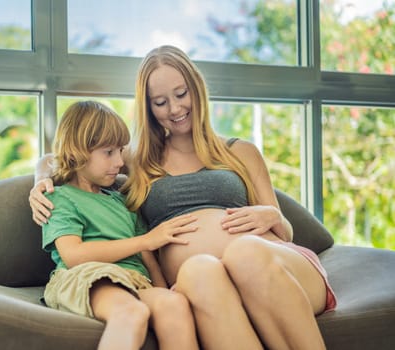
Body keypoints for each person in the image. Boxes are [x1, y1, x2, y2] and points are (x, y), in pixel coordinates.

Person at [30, 46, 337, 350]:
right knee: (197, 270)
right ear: (149, 108)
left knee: (244, 252)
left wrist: (273, 215)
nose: (175, 109)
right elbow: (69, 156)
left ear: (197, 89)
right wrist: (41, 180)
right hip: (206, 284)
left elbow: (285, 232)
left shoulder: (241, 151)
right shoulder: (137, 158)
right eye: (161, 102)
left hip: (278, 270)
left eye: (181, 94)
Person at [41, 100, 199, 350]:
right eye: (109, 152)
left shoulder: (121, 199)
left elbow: (146, 255)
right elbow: (73, 255)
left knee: (175, 304)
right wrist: (147, 240)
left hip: (134, 279)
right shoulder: (60, 198)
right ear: (77, 151)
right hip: (88, 276)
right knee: (131, 313)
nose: (119, 162)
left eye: (120, 150)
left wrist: (163, 288)